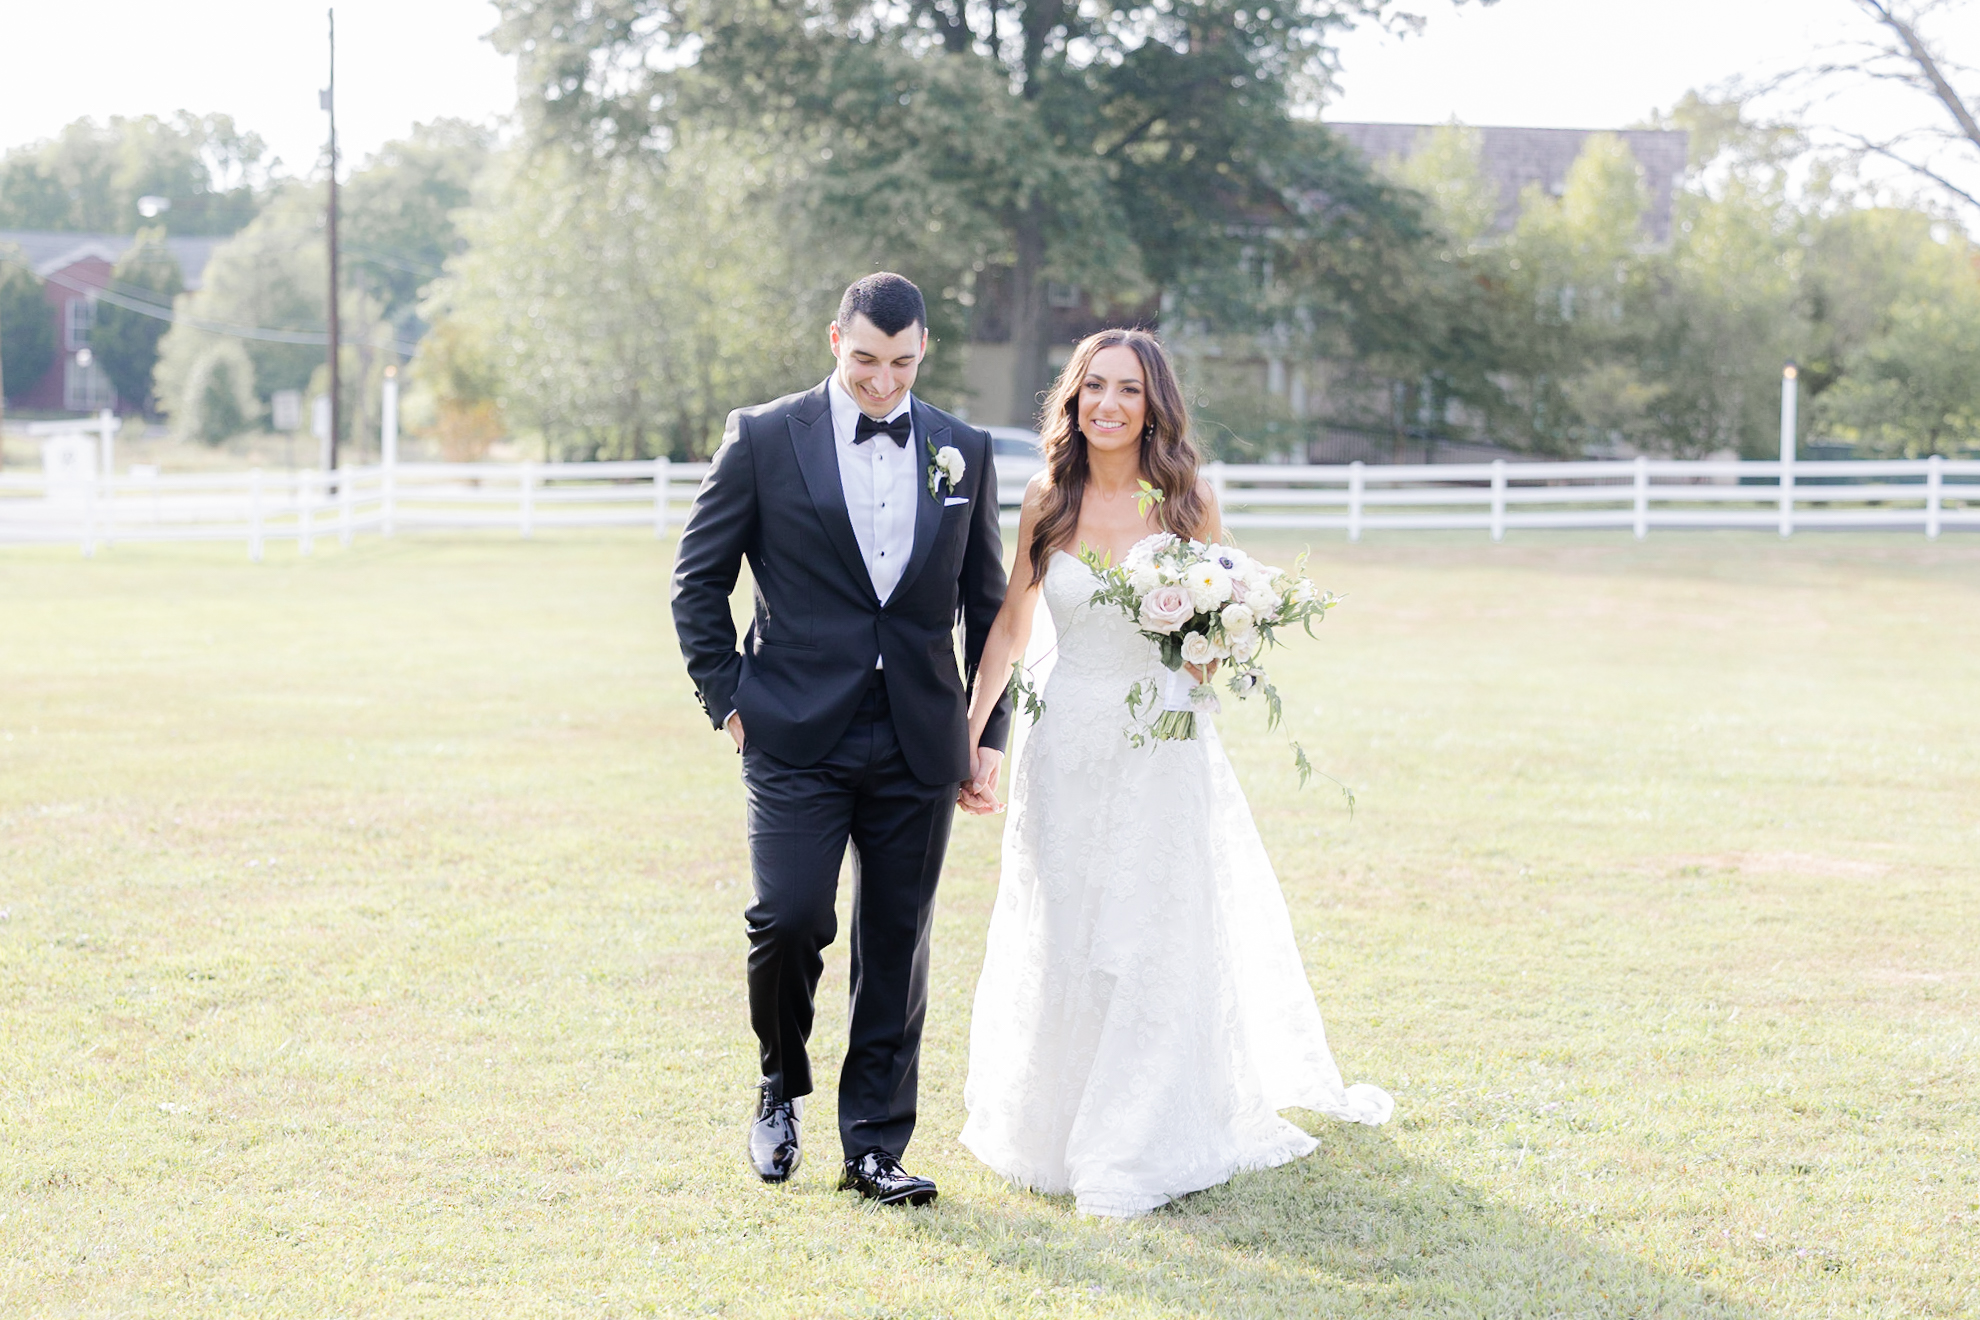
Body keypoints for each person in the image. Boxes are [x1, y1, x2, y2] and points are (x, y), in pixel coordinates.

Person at [957, 328, 1393, 1218]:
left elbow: (1215, 641)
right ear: (1074, 400)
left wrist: (1205, 642)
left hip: (1161, 746)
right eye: (1094, 387)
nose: (1109, 405)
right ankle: (1057, 1127)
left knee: (1145, 931)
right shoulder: (1048, 498)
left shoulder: (1188, 502)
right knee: (1067, 928)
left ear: (1154, 405)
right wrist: (973, 737)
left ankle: (1133, 1140)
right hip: (1067, 742)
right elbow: (1011, 625)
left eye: (1128, 389)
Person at [670, 273, 1010, 1206]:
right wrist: (727, 700)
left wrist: (988, 734)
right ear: (834, 340)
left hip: (919, 737)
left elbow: (989, 607)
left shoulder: (964, 450)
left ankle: (874, 1149)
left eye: (902, 363)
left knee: (896, 942)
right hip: (791, 731)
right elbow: (697, 582)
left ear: (924, 350)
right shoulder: (762, 436)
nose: (882, 382)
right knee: (787, 919)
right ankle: (779, 1086)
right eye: (865, 360)